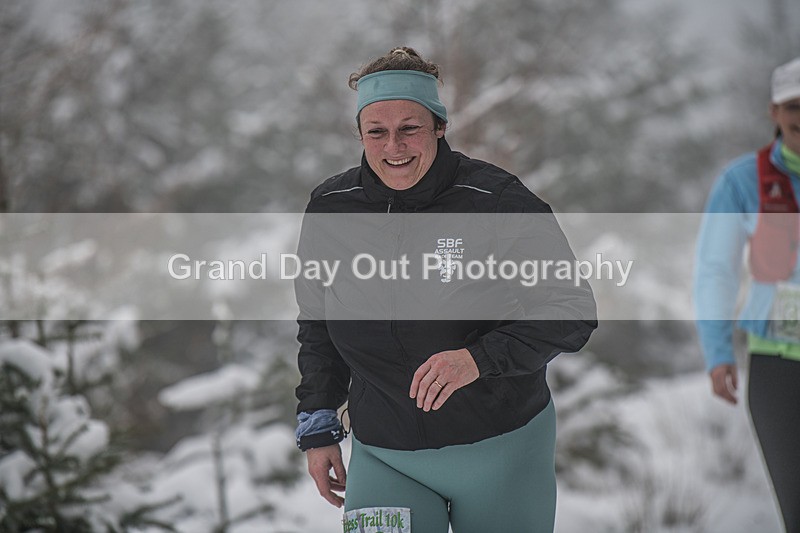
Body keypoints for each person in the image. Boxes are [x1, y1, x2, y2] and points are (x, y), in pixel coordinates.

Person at [294, 47, 597, 533]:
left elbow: (572, 309)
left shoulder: (495, 200)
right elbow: (317, 324)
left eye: (409, 128)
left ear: (438, 126)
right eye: (377, 132)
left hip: (501, 449)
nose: (394, 146)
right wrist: (317, 421)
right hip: (385, 455)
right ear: (360, 135)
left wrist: (476, 358)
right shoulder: (332, 208)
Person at [694, 56, 800, 533]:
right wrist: (718, 353)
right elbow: (716, 271)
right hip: (780, 368)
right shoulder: (742, 181)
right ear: (774, 112)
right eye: (793, 105)